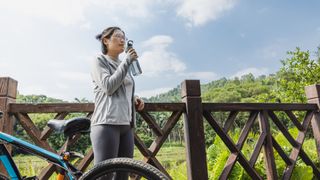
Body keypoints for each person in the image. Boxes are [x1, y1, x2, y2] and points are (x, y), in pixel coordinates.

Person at [90, 26, 145, 169]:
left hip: (126, 125)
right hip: (106, 123)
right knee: (104, 175)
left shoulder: (122, 64)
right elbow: (108, 86)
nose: (123, 40)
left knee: (123, 174)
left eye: (124, 38)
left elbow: (122, 87)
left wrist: (135, 98)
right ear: (106, 41)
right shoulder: (100, 60)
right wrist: (127, 61)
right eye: (118, 36)